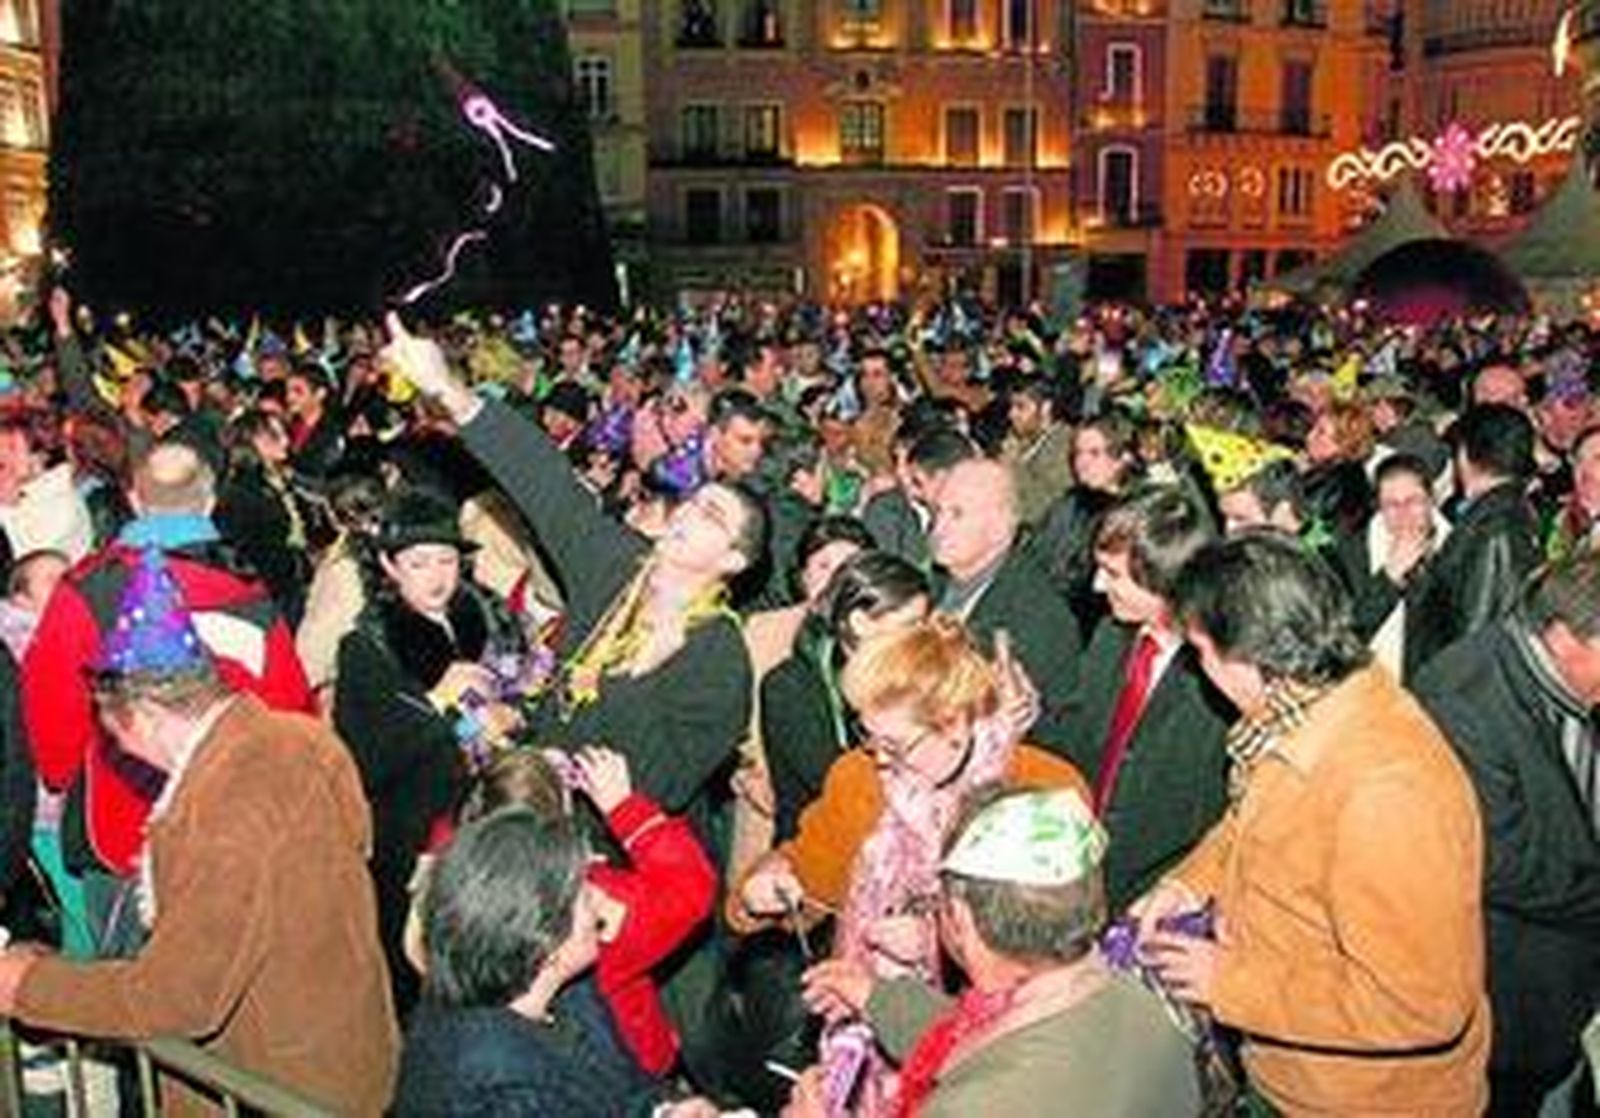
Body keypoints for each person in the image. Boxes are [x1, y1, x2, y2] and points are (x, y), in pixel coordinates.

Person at [0, 549, 397, 1114]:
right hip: (347, 1054)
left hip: (273, 1085)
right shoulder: (300, 739)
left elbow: (180, 997)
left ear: (140, 717)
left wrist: (27, 986)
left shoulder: (225, 811)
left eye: (110, 730)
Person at [1137, 532, 1490, 1115]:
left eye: (1200, 651)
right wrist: (1188, 883)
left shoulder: (1388, 792)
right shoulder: (1303, 715)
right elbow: (1251, 823)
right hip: (1291, 1075)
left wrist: (1228, 983)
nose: (1199, 672)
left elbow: (1422, 1004)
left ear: (1251, 658)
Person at [383, 315, 759, 826]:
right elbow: (548, 482)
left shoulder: (720, 655)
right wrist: (449, 390)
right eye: (694, 503)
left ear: (732, 560)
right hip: (531, 804)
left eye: (711, 517)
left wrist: (641, 668)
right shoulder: (619, 564)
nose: (688, 513)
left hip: (612, 850)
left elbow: (664, 786)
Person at [734, 617, 1086, 1112]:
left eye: (896, 745)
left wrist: (939, 941)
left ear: (956, 723)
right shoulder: (858, 780)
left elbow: (1066, 955)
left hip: (998, 1061)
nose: (878, 758)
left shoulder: (1044, 791)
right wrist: (764, 889)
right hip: (868, 1050)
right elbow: (808, 872)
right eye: (867, 734)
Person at [22, 440, 313, 951]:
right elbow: (291, 714)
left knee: (128, 987)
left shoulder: (88, 589)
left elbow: (52, 709)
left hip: (120, 829)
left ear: (134, 499)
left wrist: (61, 772)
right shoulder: (247, 596)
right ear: (208, 501)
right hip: (232, 827)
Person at [790, 786, 1201, 1117]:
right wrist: (877, 996)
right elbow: (991, 1043)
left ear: (962, 921)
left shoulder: (976, 1106)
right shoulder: (1138, 1003)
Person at [1414, 554, 1600, 1116]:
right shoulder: (1461, 701)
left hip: (1566, 979)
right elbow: (1502, 861)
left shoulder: (1556, 675)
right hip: (1513, 993)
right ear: (1566, 638)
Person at [334, 487, 528, 1014]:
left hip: (488, 821)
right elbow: (365, 759)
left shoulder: (489, 621)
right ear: (388, 566)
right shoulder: (367, 647)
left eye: (447, 560)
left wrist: (515, 714)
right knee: (416, 976)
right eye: (419, 563)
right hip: (411, 831)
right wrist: (437, 706)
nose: (438, 576)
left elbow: (527, 693)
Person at [394, 806, 715, 1117]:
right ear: (546, 946)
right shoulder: (499, 1089)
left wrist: (660, 1110)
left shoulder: (569, 986)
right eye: (583, 893)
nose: (601, 899)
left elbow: (621, 1086)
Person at [1066, 485, 1230, 910]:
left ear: (1164, 580)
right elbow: (1085, 741)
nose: (1099, 585)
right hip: (1083, 877)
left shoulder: (1221, 674)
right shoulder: (1108, 636)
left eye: (1114, 573)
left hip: (1162, 898)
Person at [761, 548, 929, 843]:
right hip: (819, 849)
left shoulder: (913, 678)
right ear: (860, 623)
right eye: (910, 625)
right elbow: (833, 780)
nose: (921, 638)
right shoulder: (790, 687)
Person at [929, 457, 1081, 753]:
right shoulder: (935, 584)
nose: (938, 527)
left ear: (1000, 528)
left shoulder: (1037, 616)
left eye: (957, 514)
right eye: (938, 511)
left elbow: (1054, 735)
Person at [1408, 403, 1542, 673]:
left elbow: (1476, 635)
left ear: (1464, 455)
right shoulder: (1502, 514)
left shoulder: (1497, 529)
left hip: (1453, 694)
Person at [1342, 453, 1453, 681]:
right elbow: (1345, 640)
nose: (1403, 514)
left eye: (1413, 501)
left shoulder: (1456, 549)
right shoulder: (1353, 553)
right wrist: (1388, 579)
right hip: (1370, 689)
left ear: (1432, 500)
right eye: (1391, 504)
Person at [1000, 376, 1074, 527]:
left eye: (1021, 407)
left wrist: (1013, 464)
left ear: (1046, 408)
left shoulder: (1062, 445)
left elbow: (1044, 510)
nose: (1011, 414)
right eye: (1011, 407)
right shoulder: (1026, 440)